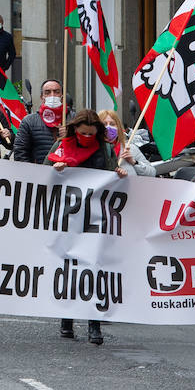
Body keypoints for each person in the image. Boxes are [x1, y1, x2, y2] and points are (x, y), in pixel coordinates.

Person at [47, 109, 127, 344]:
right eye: (83, 134)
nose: (87, 138)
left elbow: (112, 174)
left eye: (92, 134)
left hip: (94, 217)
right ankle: (67, 320)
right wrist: (56, 170)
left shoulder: (103, 148)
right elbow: (43, 174)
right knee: (69, 266)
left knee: (93, 268)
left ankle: (94, 325)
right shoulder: (61, 146)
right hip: (68, 217)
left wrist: (118, 173)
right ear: (75, 130)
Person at [12, 79, 66, 165]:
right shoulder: (29, 121)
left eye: (56, 92)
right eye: (47, 92)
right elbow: (20, 152)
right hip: (39, 174)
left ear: (62, 96)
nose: (52, 95)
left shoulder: (73, 119)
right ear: (42, 97)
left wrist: (71, 135)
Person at [98, 108, 155, 177]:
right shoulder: (93, 150)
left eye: (112, 124)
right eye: (104, 124)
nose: (108, 127)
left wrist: (133, 162)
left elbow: (152, 173)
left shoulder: (129, 148)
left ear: (118, 127)